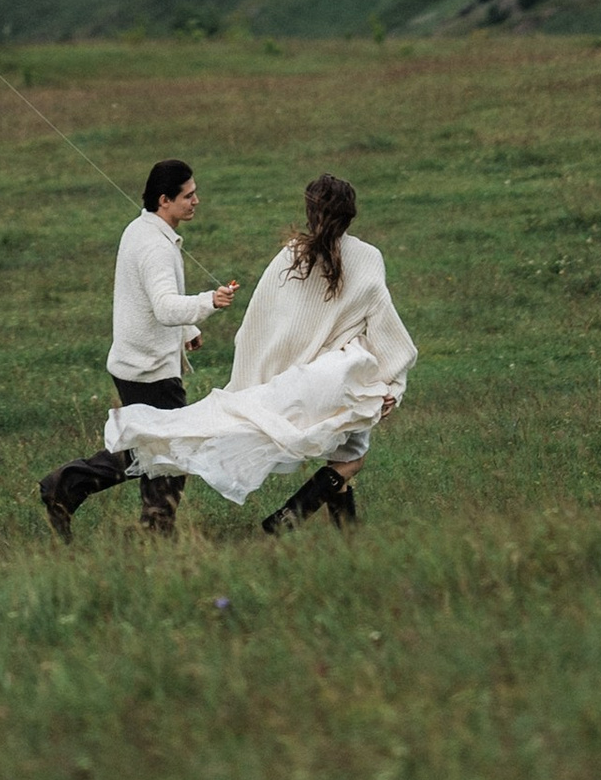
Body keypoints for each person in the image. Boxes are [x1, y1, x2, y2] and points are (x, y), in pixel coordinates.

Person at [101, 170, 414, 531]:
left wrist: (253, 384)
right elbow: (386, 328)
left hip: (300, 384)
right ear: (351, 214)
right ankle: (289, 518)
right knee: (350, 459)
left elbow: (259, 325)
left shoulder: (291, 255)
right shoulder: (368, 257)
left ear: (310, 212)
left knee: (343, 459)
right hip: (340, 379)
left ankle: (345, 535)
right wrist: (393, 385)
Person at [38, 158, 239, 541]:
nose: (196, 201)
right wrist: (209, 302)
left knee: (155, 447)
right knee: (171, 451)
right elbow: (163, 307)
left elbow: (147, 297)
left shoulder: (141, 229)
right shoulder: (156, 247)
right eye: (188, 195)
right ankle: (72, 488)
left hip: (135, 361)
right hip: (149, 369)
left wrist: (186, 329)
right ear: (164, 200)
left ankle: (140, 520)